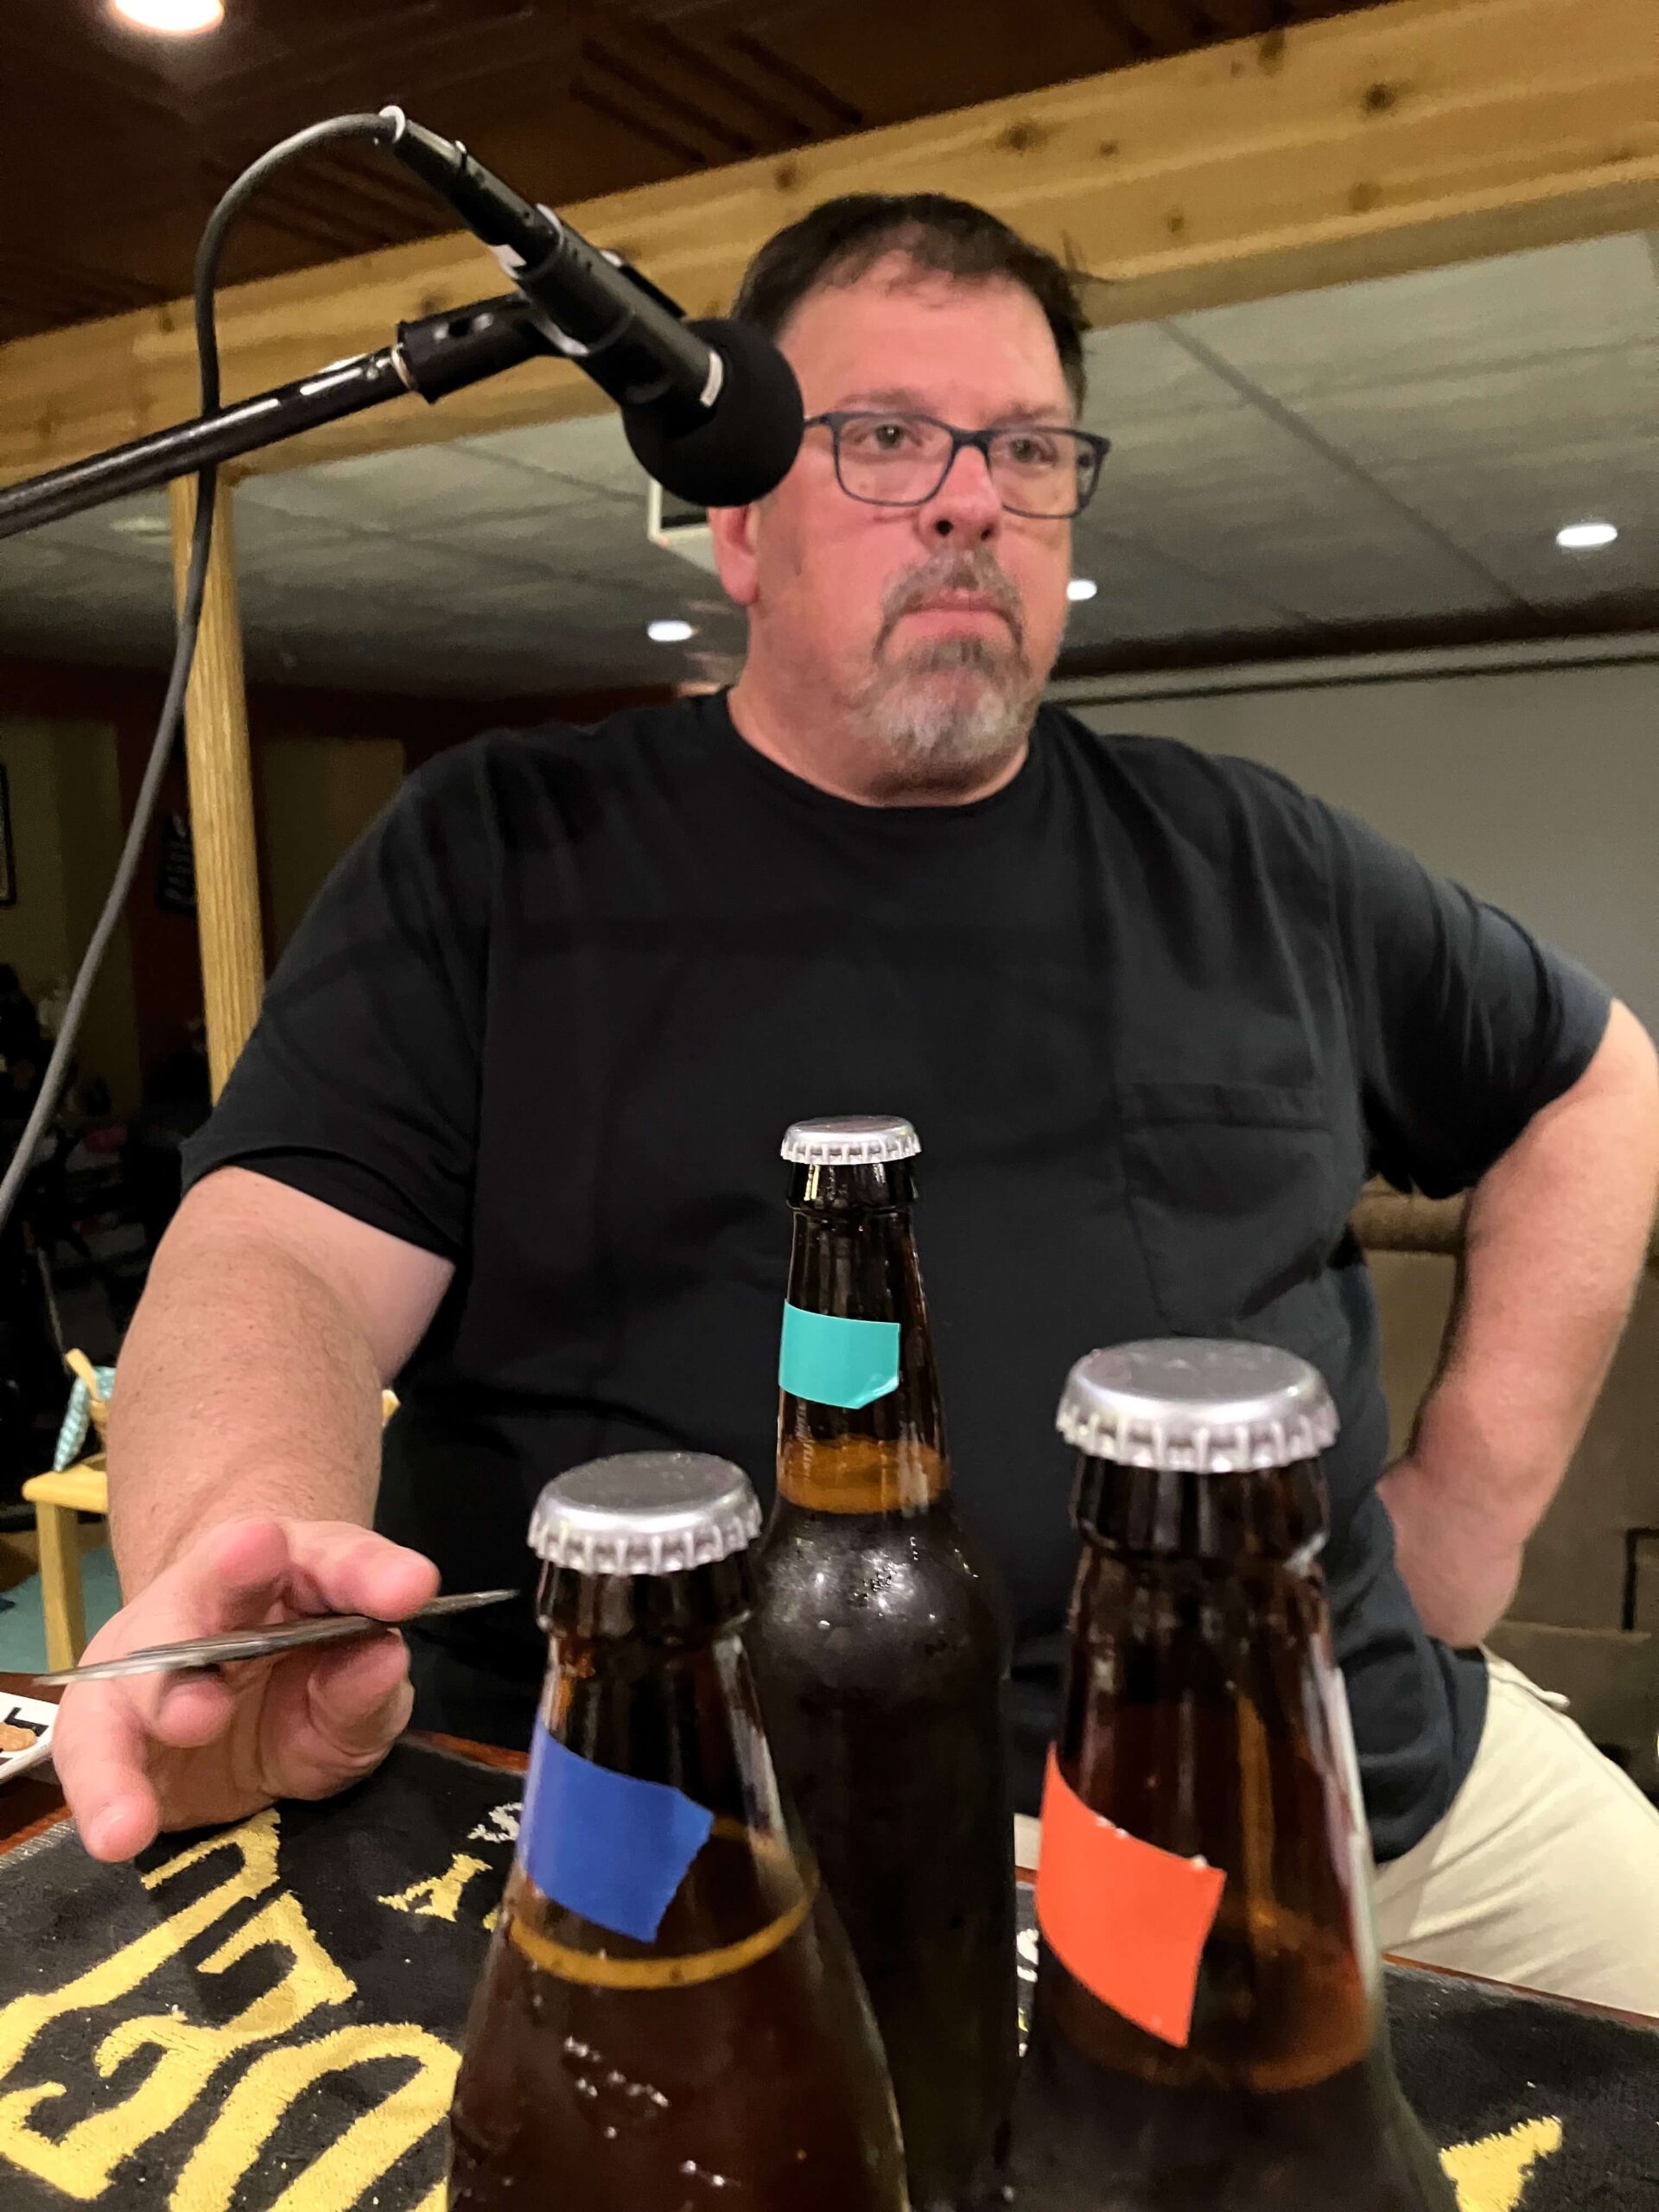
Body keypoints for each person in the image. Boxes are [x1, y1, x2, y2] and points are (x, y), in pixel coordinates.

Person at [54, 194, 1659, 2009]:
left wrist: (1470, 1513)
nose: (970, 500)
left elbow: (1597, 1080)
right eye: (887, 437)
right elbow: (276, 1253)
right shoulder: (501, 854)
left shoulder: (1254, 855)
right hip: (692, 1841)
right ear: (738, 515)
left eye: (1027, 448)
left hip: (1347, 1784)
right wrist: (247, 1549)